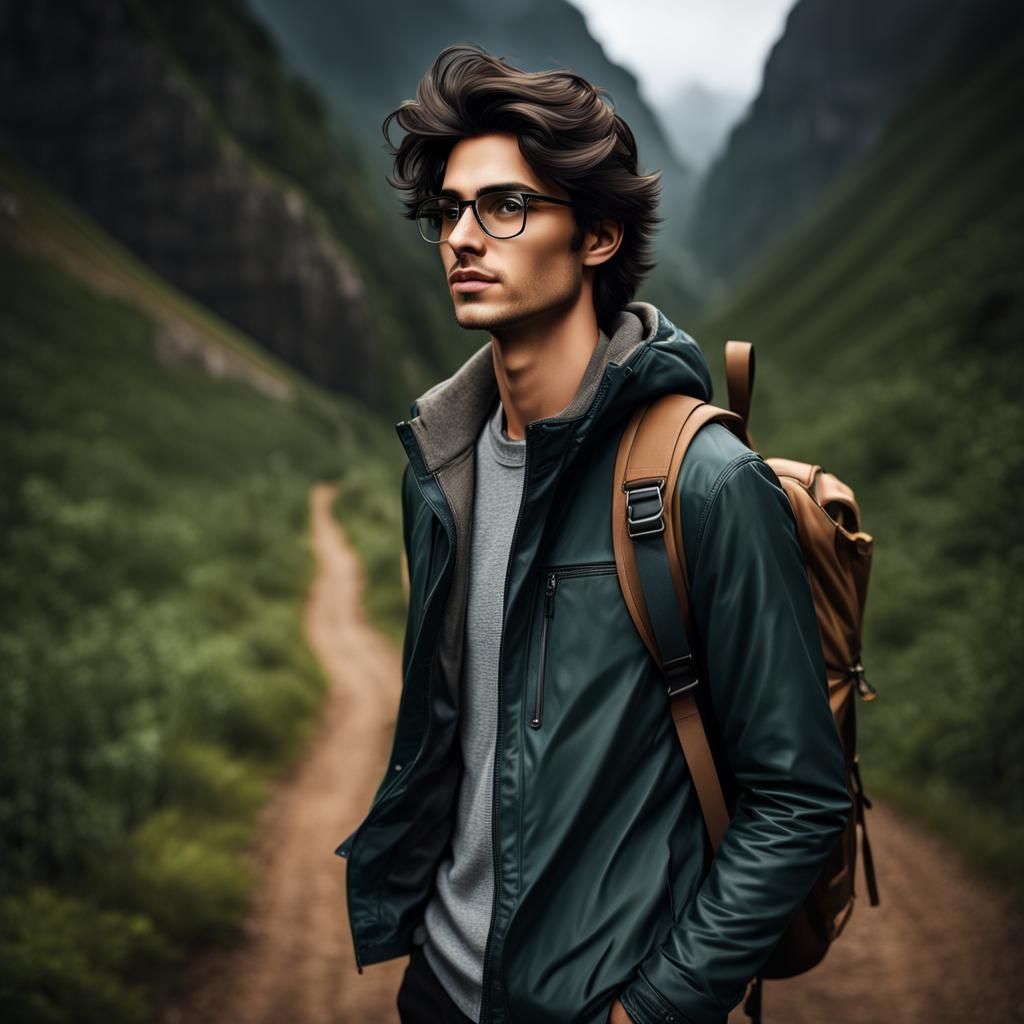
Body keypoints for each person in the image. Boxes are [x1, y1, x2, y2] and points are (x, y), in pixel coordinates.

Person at [337, 43, 852, 1024]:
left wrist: (653, 1007)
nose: (462, 237)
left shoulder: (702, 482)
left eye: (506, 206)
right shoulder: (440, 469)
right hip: (438, 988)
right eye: (449, 209)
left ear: (601, 236)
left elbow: (797, 797)